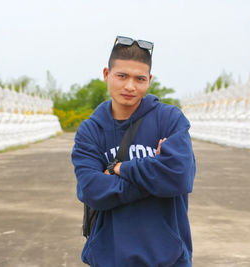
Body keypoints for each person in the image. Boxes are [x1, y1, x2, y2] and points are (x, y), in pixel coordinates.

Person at [71, 35, 196, 266]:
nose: (130, 86)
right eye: (122, 76)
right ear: (107, 75)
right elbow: (92, 191)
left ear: (149, 80)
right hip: (110, 258)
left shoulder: (169, 119)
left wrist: (119, 169)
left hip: (168, 259)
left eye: (139, 78)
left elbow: (179, 176)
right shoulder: (91, 130)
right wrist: (156, 176)